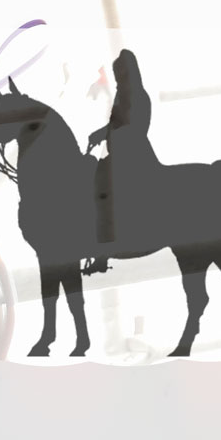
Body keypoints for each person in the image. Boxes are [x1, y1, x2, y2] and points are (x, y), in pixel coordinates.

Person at [86, 48, 158, 273]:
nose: (118, 78)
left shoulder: (138, 96)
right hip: (118, 151)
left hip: (133, 154)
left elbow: (133, 127)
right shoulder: (122, 94)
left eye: (120, 73)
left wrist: (109, 134)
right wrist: (100, 133)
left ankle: (105, 248)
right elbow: (114, 122)